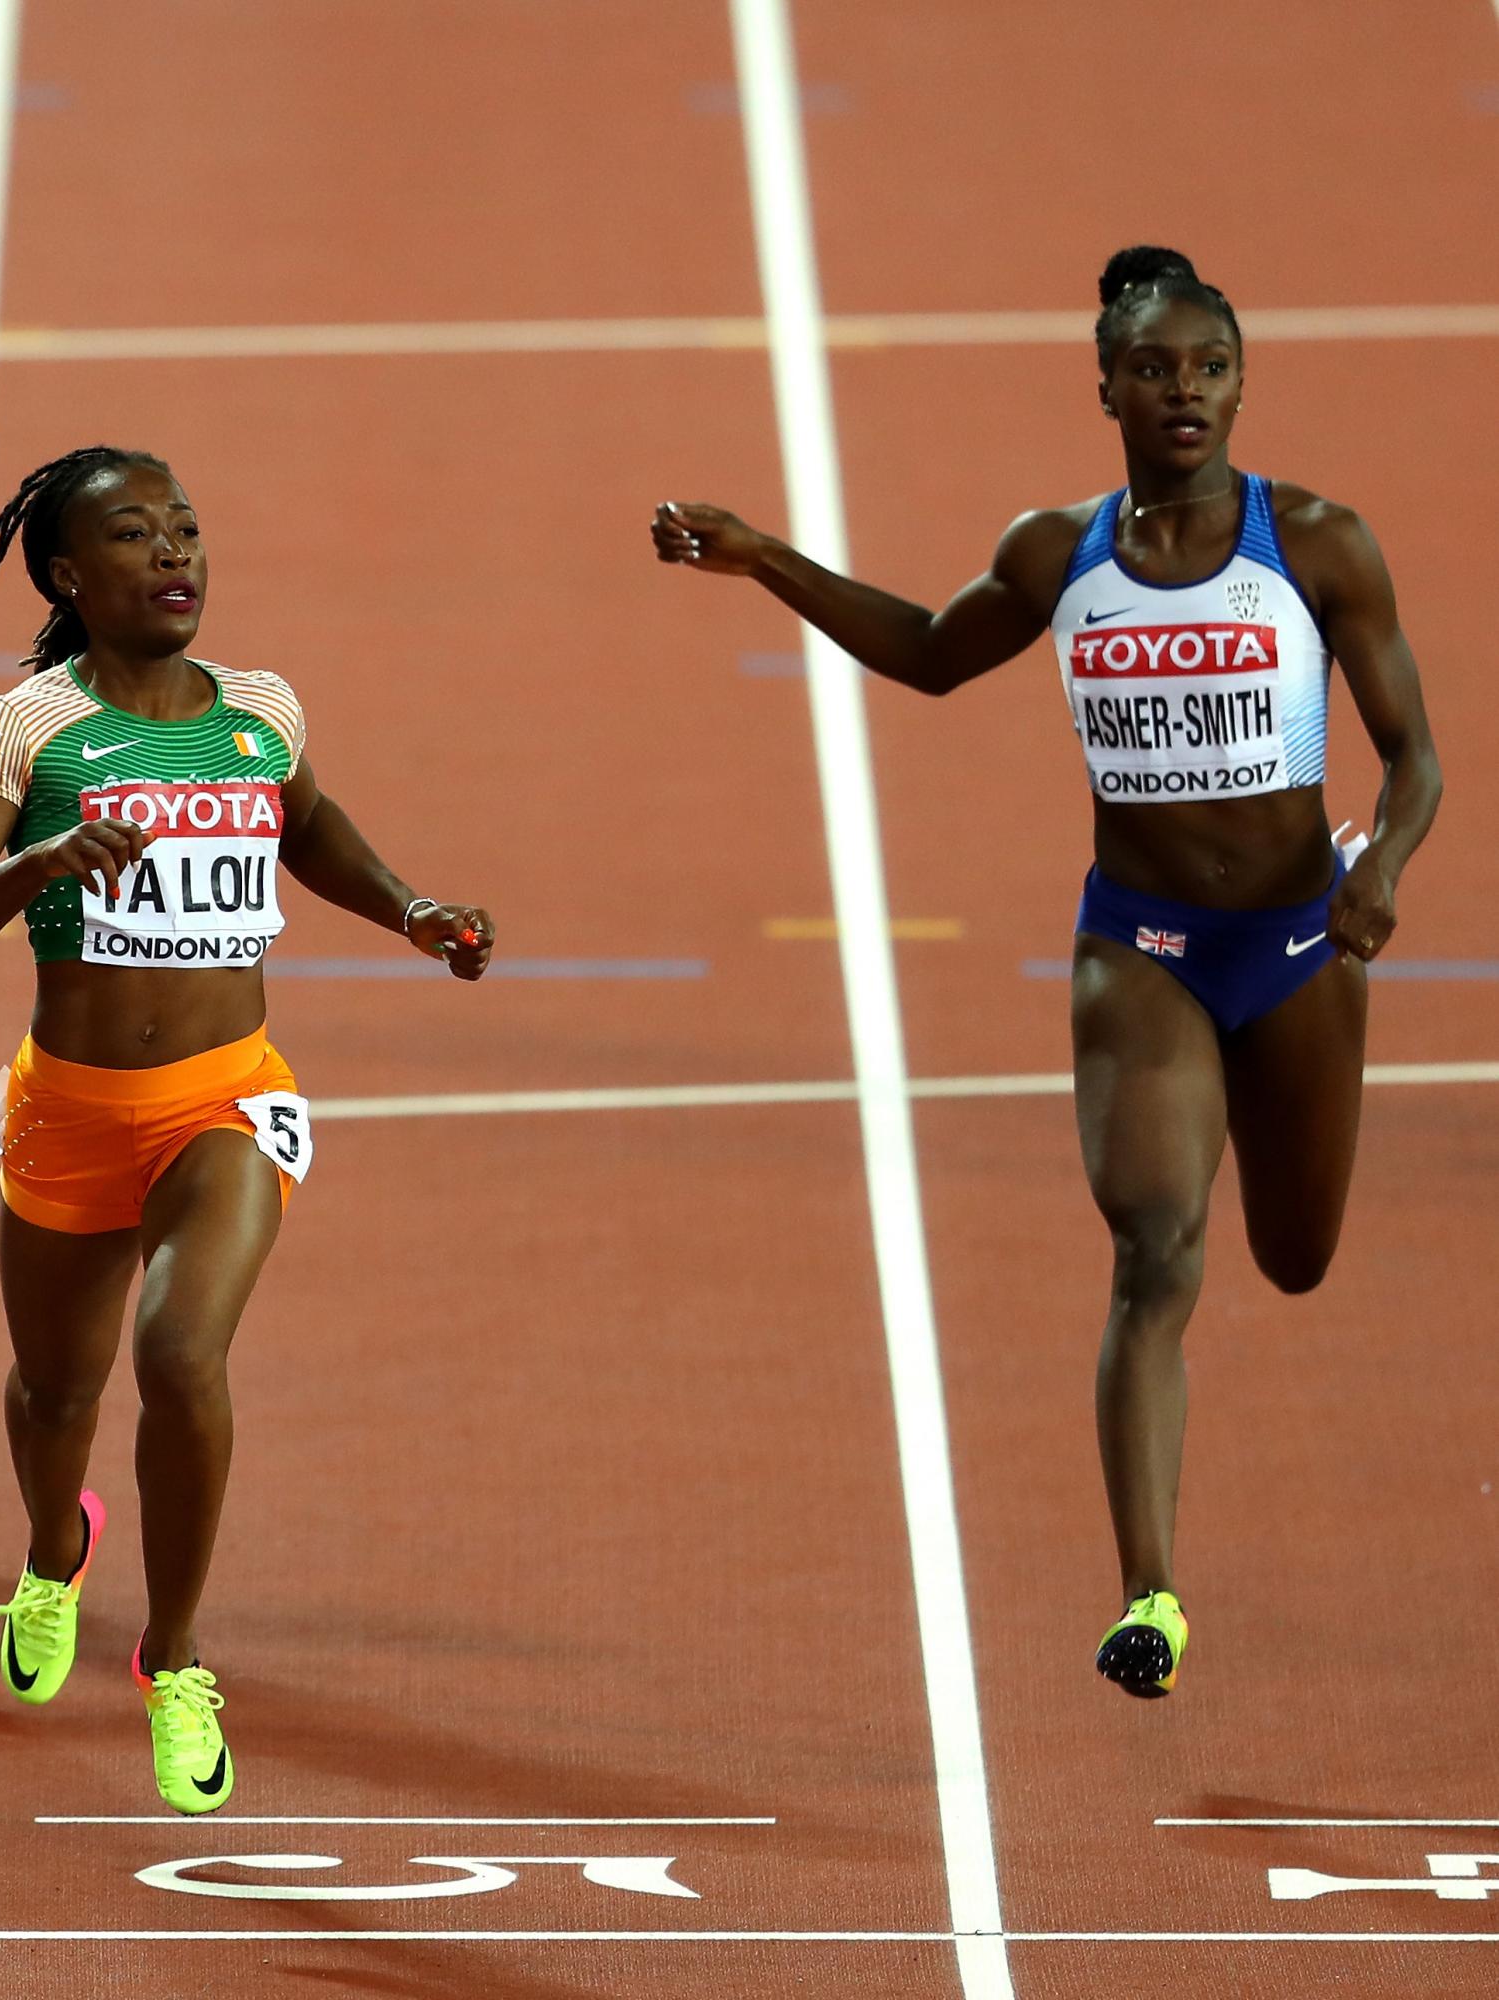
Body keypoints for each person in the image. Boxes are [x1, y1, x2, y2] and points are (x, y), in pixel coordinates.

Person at [650, 246, 1440, 1697]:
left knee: (1295, 1256)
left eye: (1209, 366)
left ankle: (1165, 1549)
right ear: (1106, 388)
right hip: (1138, 946)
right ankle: (1151, 1595)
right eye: (1154, 368)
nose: (1183, 389)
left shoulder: (1319, 544)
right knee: (1154, 1254)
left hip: (1302, 941)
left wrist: (1381, 867)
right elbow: (936, 655)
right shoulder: (1055, 555)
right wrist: (768, 558)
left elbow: (1417, 756)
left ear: (1242, 383)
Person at [0, 446, 494, 1809]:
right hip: (68, 1111)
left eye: (187, 531)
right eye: (135, 536)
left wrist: (411, 911)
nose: (174, 556)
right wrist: (35, 863)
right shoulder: (22, 732)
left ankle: (176, 1657)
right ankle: (52, 1559)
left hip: (226, 1099)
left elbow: (310, 825)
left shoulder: (260, 709)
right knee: (55, 1391)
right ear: (66, 573)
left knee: (179, 1350)